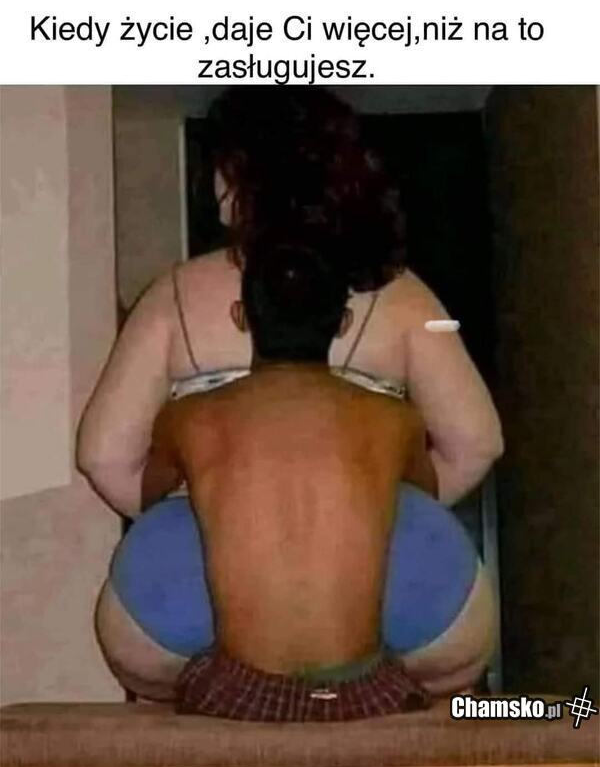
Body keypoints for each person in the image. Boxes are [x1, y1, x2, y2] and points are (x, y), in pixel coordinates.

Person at [77, 88, 503, 520]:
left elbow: (103, 457)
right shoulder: (402, 294)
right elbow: (476, 444)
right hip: (356, 543)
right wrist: (391, 521)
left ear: (241, 170)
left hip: (214, 546)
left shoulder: (175, 292)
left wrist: (184, 528)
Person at [128, 241, 447, 720]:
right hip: (361, 693)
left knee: (176, 686)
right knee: (444, 697)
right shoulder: (396, 420)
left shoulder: (189, 418)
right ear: (343, 324)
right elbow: (426, 508)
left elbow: (149, 502)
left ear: (241, 317)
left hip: (240, 693)